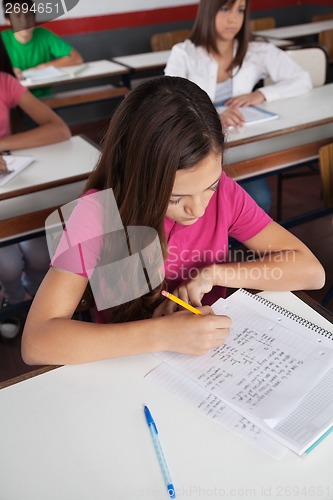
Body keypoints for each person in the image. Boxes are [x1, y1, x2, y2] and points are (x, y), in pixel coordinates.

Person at [21, 76, 325, 366]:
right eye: (175, 199)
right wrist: (164, 334)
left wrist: (215, 275)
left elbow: (311, 273)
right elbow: (37, 342)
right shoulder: (98, 213)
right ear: (139, 180)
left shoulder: (225, 195)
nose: (199, 209)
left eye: (211, 186)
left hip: (201, 360)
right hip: (127, 365)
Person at [164, 0, 312, 213]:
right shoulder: (184, 53)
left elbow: (302, 79)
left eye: (240, 10)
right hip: (197, 145)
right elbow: (171, 100)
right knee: (207, 204)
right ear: (208, 12)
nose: (233, 18)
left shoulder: (256, 50)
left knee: (260, 200)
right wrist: (212, 116)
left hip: (242, 143)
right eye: (225, 9)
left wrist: (262, 94)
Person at [0, 36, 71, 338]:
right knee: (8, 265)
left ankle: (33, 302)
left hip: (14, 184)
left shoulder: (5, 83)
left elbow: (59, 129)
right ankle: (14, 299)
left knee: (42, 256)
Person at [1, 0, 83, 96]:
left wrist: (43, 67)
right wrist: (8, 71)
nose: (24, 22)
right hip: (13, 102)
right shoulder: (2, 40)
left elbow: (77, 58)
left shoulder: (44, 35)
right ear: (8, 20)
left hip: (44, 100)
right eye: (17, 16)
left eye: (28, 15)